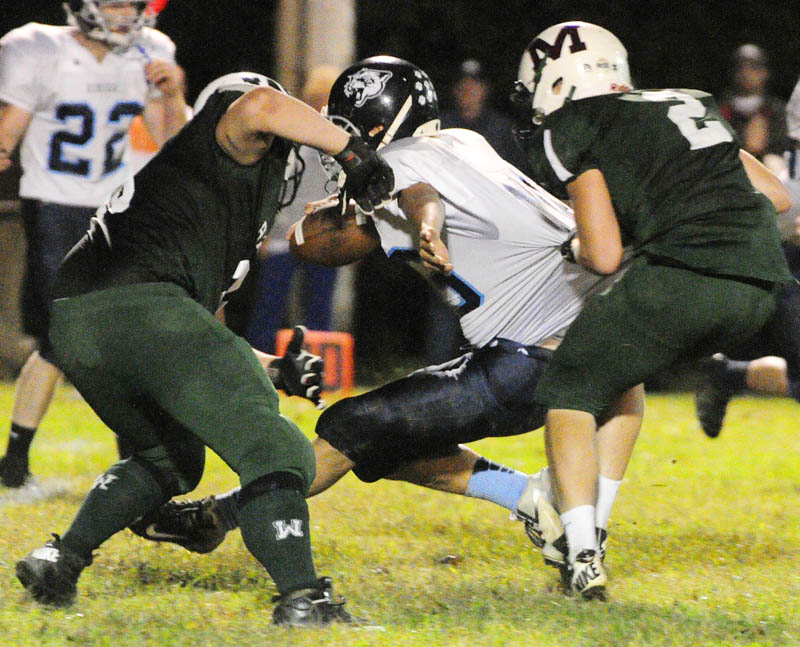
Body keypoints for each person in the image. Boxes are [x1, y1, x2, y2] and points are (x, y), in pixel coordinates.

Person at [129, 57, 637, 589]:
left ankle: (219, 517)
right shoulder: (463, 143)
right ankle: (542, 505)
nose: (335, 140)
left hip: (530, 360)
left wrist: (414, 222)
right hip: (598, 337)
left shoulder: (401, 164)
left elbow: (321, 239)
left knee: (349, 429)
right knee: (381, 435)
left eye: (343, 126)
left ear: (374, 125)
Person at [14, 71, 394, 627]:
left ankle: (60, 559)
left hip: (80, 321)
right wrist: (355, 153)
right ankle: (303, 599)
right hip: (138, 304)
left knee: (169, 459)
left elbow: (188, 342)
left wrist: (274, 369)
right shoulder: (226, 128)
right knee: (280, 452)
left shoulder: (202, 202)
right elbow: (262, 104)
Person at [513, 21, 793, 598]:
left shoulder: (573, 125)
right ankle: (594, 533)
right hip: (761, 285)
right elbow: (777, 195)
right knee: (621, 379)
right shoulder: (686, 101)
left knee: (569, 390)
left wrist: (578, 243)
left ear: (554, 81)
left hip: (686, 275)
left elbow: (605, 255)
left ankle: (581, 556)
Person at [0, 0, 189, 488]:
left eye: (132, 4)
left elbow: (176, 145)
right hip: (56, 206)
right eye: (114, 3)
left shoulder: (152, 51)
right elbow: (10, 131)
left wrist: (173, 95)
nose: (126, 13)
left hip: (118, 209)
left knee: (116, 338)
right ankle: (21, 465)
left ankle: (122, 462)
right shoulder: (40, 48)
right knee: (64, 341)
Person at [244, 65, 341, 354]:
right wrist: (260, 233)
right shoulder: (286, 133)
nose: (321, 105)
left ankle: (317, 368)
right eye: (317, 98)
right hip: (281, 234)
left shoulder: (342, 139)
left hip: (324, 235)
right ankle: (260, 366)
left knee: (319, 309)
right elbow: (269, 184)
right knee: (268, 307)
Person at [718, 44, 790, 169]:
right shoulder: (721, 108)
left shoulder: (775, 108)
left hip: (767, 167)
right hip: (731, 166)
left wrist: (763, 146)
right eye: (741, 67)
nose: (746, 73)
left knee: (774, 162)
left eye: (753, 67)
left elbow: (785, 144)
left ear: (765, 72)